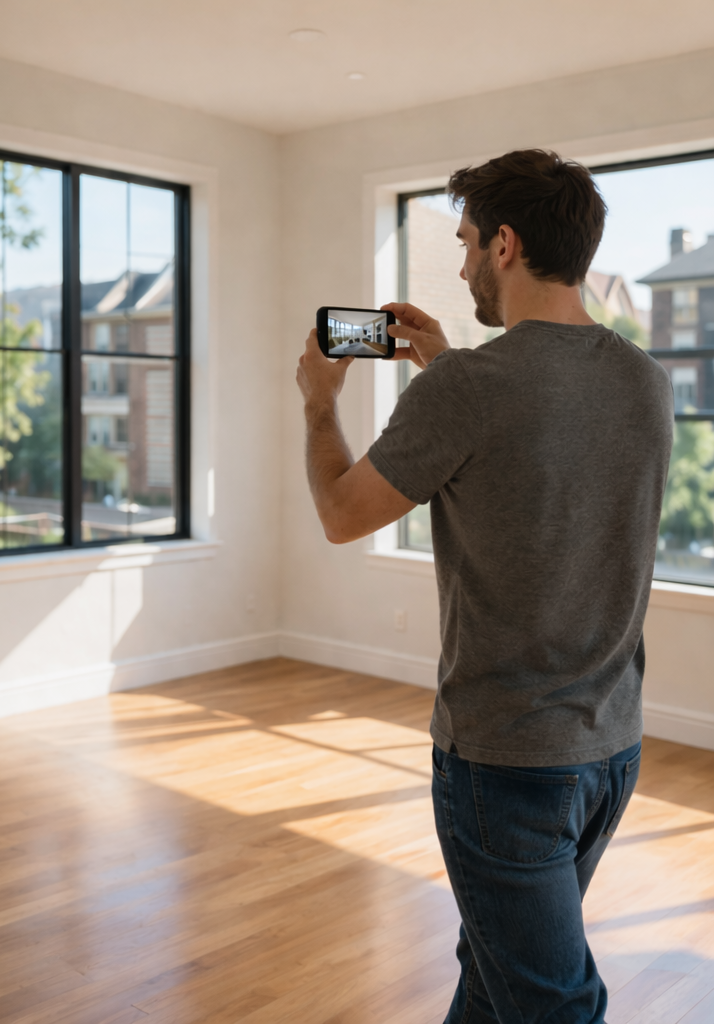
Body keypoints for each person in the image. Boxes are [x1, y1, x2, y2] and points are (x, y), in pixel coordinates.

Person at [295, 149, 671, 1023]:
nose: (460, 264)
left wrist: (320, 403)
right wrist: (444, 364)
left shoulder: (470, 386)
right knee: (497, 963)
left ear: (505, 244)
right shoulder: (645, 381)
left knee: (549, 1001)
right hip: (610, 751)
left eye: (465, 243)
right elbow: (533, 449)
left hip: (506, 765)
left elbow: (343, 515)